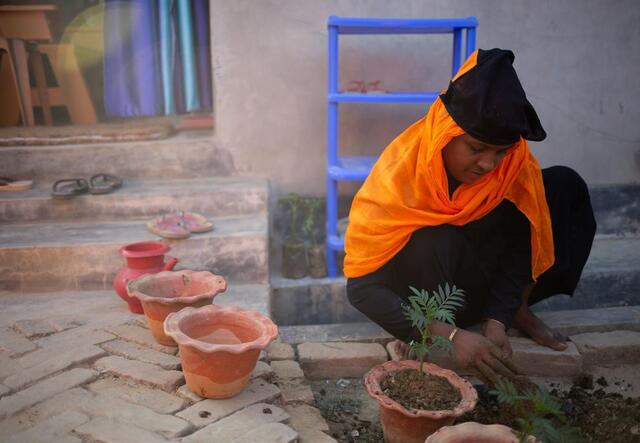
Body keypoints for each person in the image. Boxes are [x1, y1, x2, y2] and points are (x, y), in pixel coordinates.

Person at [344, 48, 596, 383]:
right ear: (444, 134)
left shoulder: (511, 169)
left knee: (563, 186)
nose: (488, 164)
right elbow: (361, 288)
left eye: (500, 152)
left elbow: (522, 241)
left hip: (482, 278)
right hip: (430, 297)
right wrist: (447, 335)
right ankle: (426, 335)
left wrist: (497, 318)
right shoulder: (400, 174)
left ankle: (514, 310)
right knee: (432, 237)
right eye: (476, 148)